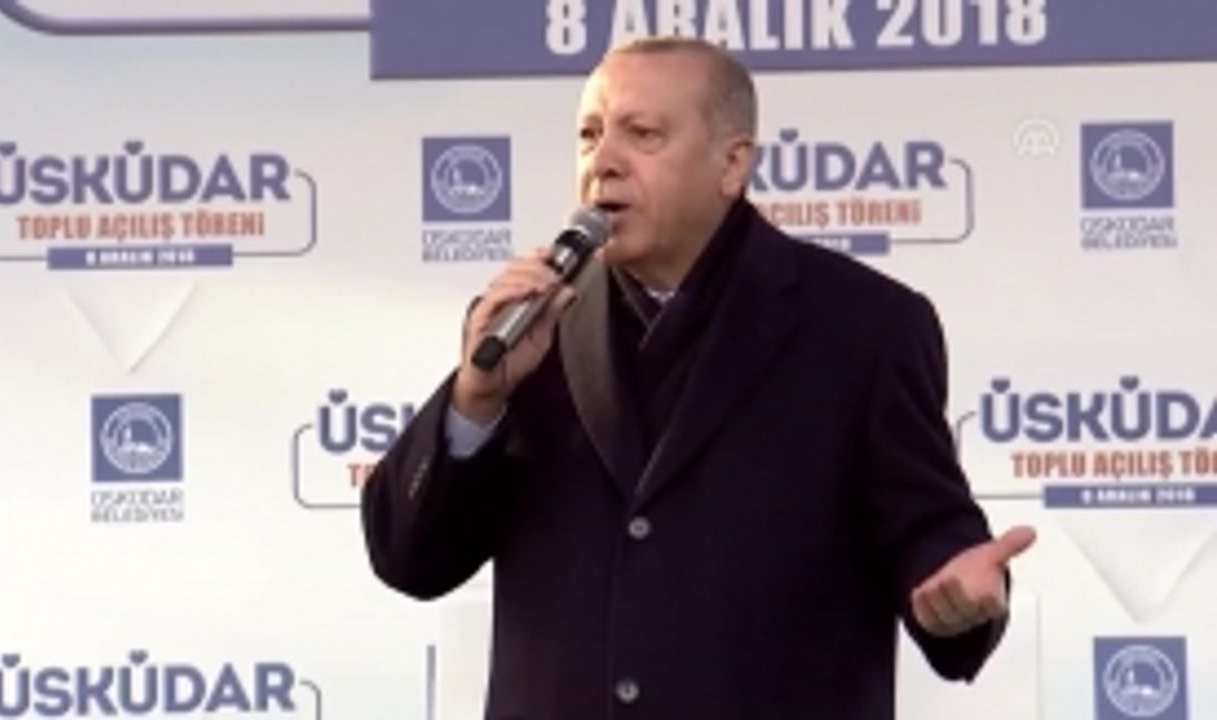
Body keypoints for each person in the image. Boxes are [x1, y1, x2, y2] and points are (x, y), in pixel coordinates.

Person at [363, 37, 1036, 720]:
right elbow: (407, 558)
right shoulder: (529, 325)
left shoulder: (865, 326)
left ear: (732, 164)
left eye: (642, 134)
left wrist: (960, 595)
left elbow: (931, 534)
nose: (603, 162)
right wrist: (476, 399)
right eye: (589, 135)